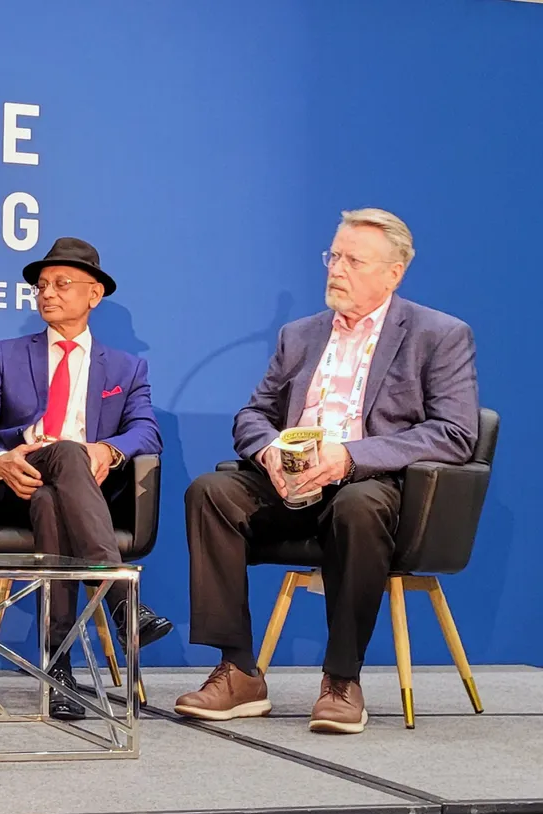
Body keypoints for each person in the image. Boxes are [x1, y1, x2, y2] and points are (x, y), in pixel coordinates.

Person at [175, 208, 478, 734]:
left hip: (369, 486)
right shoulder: (300, 335)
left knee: (359, 507)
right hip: (288, 483)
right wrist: (269, 448)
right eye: (332, 256)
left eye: (352, 260)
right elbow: (253, 414)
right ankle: (238, 669)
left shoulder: (438, 334)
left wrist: (351, 456)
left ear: (393, 272)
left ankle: (342, 679)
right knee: (211, 491)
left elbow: (454, 432)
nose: (336, 268)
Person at [0, 237, 173, 720]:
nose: (47, 293)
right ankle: (121, 603)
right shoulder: (8, 355)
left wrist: (108, 450)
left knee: (58, 490)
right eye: (41, 285)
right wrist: (0, 461)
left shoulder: (126, 367)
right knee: (58, 463)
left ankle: (59, 666)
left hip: (81, 494)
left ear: (94, 295)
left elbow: (147, 431)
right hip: (18, 484)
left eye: (61, 284)